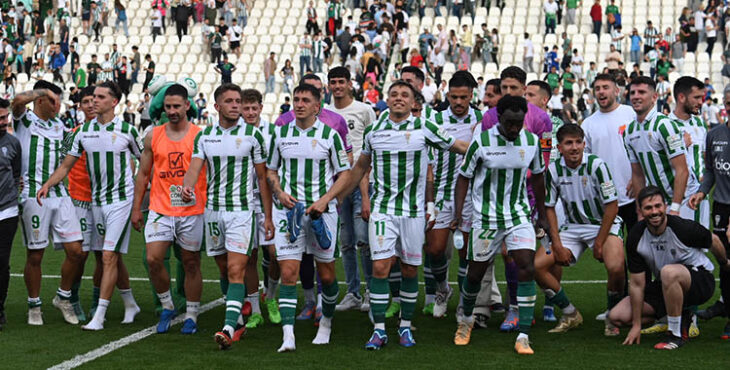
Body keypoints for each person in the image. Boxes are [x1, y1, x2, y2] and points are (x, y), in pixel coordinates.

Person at [343, 80, 468, 350]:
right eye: (394, 94)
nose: (398, 98)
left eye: (405, 95)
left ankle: (404, 327)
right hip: (383, 211)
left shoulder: (424, 127)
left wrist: (492, 150)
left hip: (413, 213)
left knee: (410, 269)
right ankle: (378, 330)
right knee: (380, 268)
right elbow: (360, 169)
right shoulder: (374, 129)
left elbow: (457, 146)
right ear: (387, 99)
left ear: (414, 103)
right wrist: (334, 197)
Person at [38, 81, 141, 330]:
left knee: (106, 255)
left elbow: (145, 162)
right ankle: (120, 301)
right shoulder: (78, 132)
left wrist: (141, 197)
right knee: (92, 254)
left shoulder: (128, 130)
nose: (92, 102)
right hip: (87, 202)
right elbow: (63, 164)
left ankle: (99, 313)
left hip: (120, 201)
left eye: (98, 97)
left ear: (114, 102)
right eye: (89, 98)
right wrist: (47, 184)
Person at [453, 95, 548, 355]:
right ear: (499, 117)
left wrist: (541, 214)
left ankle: (524, 334)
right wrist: (459, 213)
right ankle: (466, 319)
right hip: (485, 218)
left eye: (518, 122)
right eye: (509, 122)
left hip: (518, 216)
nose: (514, 128)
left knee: (526, 267)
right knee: (475, 274)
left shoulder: (531, 142)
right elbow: (463, 178)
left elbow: (538, 178)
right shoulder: (481, 142)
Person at [181, 83, 273, 349]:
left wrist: (267, 216)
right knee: (223, 267)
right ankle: (240, 316)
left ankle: (229, 327)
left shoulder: (253, 136)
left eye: (238, 101)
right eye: (230, 101)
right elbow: (194, 169)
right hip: (213, 213)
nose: (236, 105)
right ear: (217, 106)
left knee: (236, 269)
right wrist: (187, 188)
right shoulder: (205, 136)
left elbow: (262, 178)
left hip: (242, 213)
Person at [265, 83, 350, 352]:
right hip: (289, 212)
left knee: (326, 275)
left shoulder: (330, 135)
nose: (298, 104)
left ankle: (326, 321)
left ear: (317, 106)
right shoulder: (279, 134)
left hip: (322, 213)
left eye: (305, 100)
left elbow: (345, 173)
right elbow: (271, 171)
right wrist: (278, 191)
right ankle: (288, 336)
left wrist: (326, 200)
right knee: (289, 272)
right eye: (296, 99)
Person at [609, 186, 729, 349]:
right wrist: (636, 325)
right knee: (617, 316)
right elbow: (637, 284)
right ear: (641, 210)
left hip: (700, 281)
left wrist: (724, 263)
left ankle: (675, 334)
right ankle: (680, 315)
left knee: (668, 272)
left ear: (665, 206)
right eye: (648, 208)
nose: (654, 212)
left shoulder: (682, 227)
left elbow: (713, 240)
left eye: (658, 206)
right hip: (665, 284)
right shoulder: (636, 236)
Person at [535, 123, 626, 336]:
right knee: (538, 266)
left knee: (616, 267)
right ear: (560, 147)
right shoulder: (554, 169)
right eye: (569, 143)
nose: (574, 147)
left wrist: (600, 242)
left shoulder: (597, 165)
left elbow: (612, 206)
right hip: (573, 226)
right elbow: (549, 208)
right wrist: (556, 244)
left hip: (603, 225)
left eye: (578, 142)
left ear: (584, 144)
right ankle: (570, 313)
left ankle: (613, 314)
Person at [131, 84, 206, 335]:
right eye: (168, 107)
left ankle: (192, 315)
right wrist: (136, 209)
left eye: (176, 106)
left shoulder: (200, 135)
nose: (172, 111)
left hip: (192, 209)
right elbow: (143, 174)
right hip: (160, 208)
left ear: (187, 105)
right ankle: (167, 305)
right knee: (153, 259)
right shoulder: (153, 135)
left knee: (191, 262)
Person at [9, 81, 85, 327]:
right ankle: (34, 305)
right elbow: (17, 101)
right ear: (40, 100)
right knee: (36, 255)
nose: (58, 105)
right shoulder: (25, 120)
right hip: (32, 195)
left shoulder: (60, 126)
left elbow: (65, 161)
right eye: (54, 100)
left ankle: (63, 297)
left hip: (59, 192)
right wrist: (43, 90)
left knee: (76, 251)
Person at [426, 71, 482, 319]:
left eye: (463, 97)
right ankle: (442, 290)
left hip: (471, 197)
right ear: (447, 94)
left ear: (471, 96)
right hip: (440, 193)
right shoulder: (434, 118)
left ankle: (463, 302)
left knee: (466, 253)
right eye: (454, 97)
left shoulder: (482, 120)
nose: (458, 102)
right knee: (435, 249)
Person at [325, 67, 375, 313]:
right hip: (336, 185)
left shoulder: (364, 110)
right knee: (345, 242)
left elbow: (371, 146)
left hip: (362, 183)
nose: (337, 86)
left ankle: (370, 291)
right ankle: (353, 292)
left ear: (349, 84)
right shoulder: (325, 112)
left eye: (341, 82)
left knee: (363, 239)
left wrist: (366, 189)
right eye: (333, 82)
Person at [623, 76, 700, 222]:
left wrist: (675, 208)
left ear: (654, 97)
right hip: (658, 203)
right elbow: (638, 174)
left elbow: (682, 170)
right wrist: (640, 209)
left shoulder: (664, 125)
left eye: (641, 92)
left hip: (685, 199)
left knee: (697, 242)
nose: (636, 96)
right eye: (633, 93)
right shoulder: (629, 131)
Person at [238, 88, 281, 328]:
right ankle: (255, 310)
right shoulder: (235, 132)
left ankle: (271, 296)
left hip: (269, 202)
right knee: (250, 257)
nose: (251, 112)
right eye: (246, 108)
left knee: (275, 253)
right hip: (244, 203)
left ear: (261, 108)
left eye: (255, 108)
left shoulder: (273, 132)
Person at [689, 87, 730, 335]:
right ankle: (726, 303)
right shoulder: (714, 134)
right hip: (721, 205)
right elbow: (712, 171)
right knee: (724, 259)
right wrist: (702, 192)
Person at [0, 98, 19, 331]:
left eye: (5, 117)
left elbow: (16, 174)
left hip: (7, 210)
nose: (3, 122)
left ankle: (0, 308)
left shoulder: (13, 143)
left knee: (2, 261)